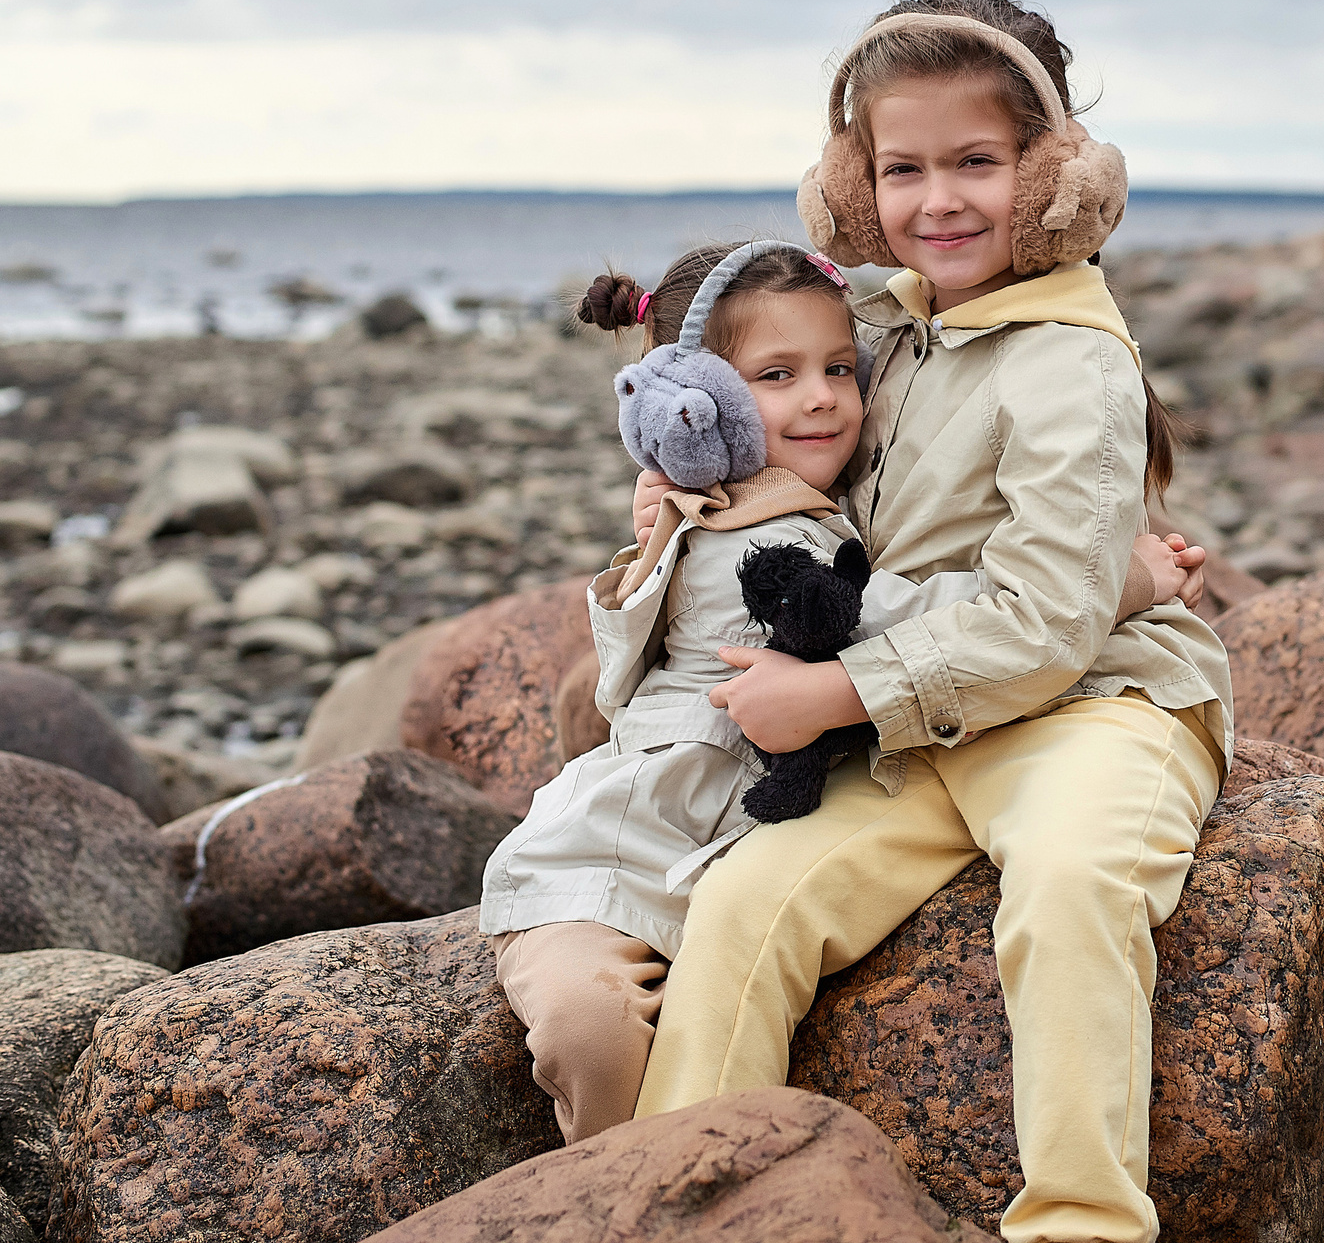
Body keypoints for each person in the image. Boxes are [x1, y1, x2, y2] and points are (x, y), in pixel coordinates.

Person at [633, 0, 1235, 1243]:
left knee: (1073, 882)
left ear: (1057, 176)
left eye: (977, 162)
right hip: (921, 735)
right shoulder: (880, 328)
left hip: (1089, 711)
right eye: (899, 169)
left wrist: (836, 690)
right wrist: (690, 495)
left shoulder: (1071, 364)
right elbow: (789, 445)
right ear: (850, 185)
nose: (937, 200)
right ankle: (671, 1238)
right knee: (744, 906)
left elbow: (1040, 620)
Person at [480, 237, 1196, 1151]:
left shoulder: (777, 503)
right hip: (615, 864)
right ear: (697, 409)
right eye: (776, 375)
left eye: (836, 368)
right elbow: (922, 611)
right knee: (592, 1027)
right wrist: (1119, 583)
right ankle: (616, 1197)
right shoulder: (774, 543)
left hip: (709, 858)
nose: (821, 396)